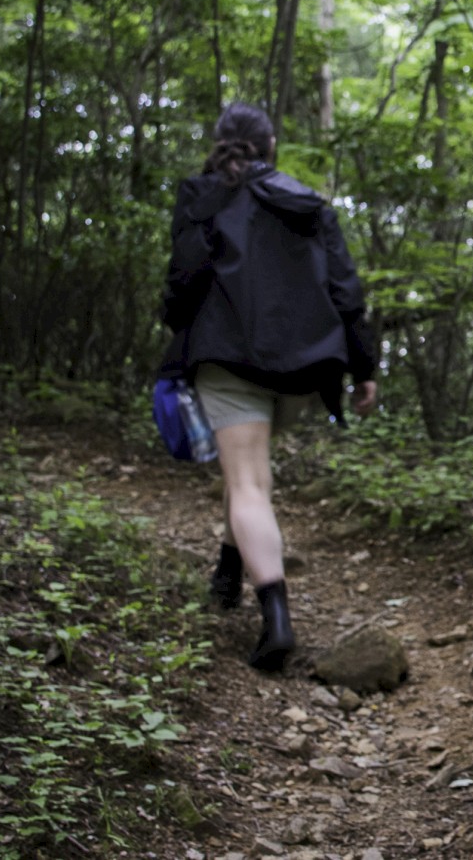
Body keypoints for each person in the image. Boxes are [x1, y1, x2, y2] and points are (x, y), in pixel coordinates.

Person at [162, 103, 378, 671]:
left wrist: (176, 329)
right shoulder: (308, 203)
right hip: (303, 369)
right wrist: (366, 368)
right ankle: (226, 574)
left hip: (230, 361)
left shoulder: (203, 197)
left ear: (218, 143)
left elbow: (183, 282)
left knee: (249, 485)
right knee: (252, 475)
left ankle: (276, 620)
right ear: (272, 144)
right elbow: (346, 292)